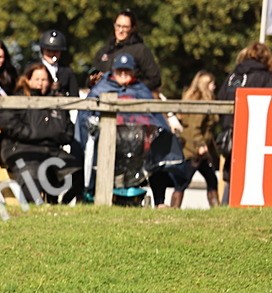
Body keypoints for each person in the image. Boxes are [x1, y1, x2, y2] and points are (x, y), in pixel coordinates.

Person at [79, 52, 177, 203]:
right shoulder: (102, 88)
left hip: (138, 143)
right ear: (114, 70)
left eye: (127, 71)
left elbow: (155, 116)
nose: (123, 74)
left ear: (133, 72)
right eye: (120, 70)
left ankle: (159, 201)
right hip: (108, 142)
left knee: (160, 154)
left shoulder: (141, 89)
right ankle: (92, 192)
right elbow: (85, 115)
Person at [0, 62, 83, 203]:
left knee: (76, 172)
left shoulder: (58, 102)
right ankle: (34, 209)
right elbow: (7, 122)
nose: (40, 83)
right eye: (37, 79)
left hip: (51, 150)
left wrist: (48, 134)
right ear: (28, 80)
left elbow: (68, 132)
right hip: (21, 149)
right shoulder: (18, 99)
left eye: (44, 80)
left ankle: (61, 206)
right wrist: (32, 133)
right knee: (31, 178)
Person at [217, 42, 272, 199]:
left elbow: (221, 98)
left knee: (232, 172)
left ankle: (226, 204)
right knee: (253, 173)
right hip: (255, 132)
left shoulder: (233, 75)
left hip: (230, 130)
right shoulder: (265, 77)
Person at [88, 10, 160, 91]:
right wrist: (92, 80)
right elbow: (90, 78)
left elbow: (155, 79)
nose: (120, 30)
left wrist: (131, 90)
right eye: (118, 26)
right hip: (104, 98)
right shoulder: (104, 51)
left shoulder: (140, 50)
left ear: (133, 28)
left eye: (125, 27)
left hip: (130, 100)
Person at [179, 71, 219, 208]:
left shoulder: (193, 98)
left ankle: (217, 210)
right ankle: (173, 209)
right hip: (194, 150)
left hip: (194, 148)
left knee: (211, 179)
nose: (214, 87)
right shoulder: (201, 102)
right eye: (212, 84)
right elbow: (194, 127)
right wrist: (201, 145)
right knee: (183, 182)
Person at [38, 29, 79, 97]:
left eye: (56, 51)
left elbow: (74, 95)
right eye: (48, 51)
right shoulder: (33, 69)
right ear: (42, 51)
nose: (52, 54)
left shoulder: (67, 72)